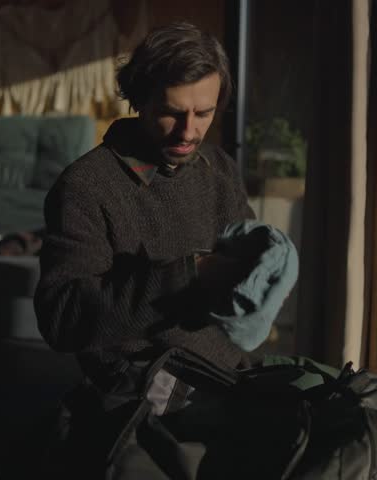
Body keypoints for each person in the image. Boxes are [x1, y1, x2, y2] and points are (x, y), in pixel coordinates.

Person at [34, 21, 257, 390]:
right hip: (144, 391)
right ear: (138, 99)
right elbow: (63, 321)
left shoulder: (219, 169)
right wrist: (187, 274)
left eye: (204, 114)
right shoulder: (86, 186)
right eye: (171, 112)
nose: (187, 133)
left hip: (230, 371)